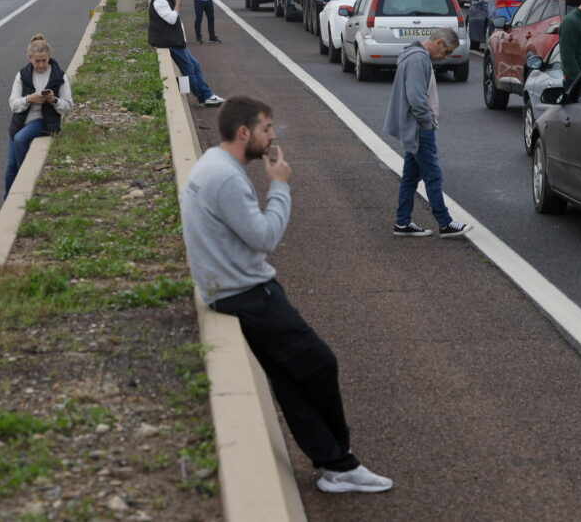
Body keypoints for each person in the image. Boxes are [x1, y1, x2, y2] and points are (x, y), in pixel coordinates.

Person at [180, 96, 394, 495]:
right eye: (266, 129)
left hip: (224, 289)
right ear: (243, 132)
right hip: (248, 294)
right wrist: (279, 186)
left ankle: (336, 464)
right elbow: (265, 238)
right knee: (320, 364)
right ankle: (340, 460)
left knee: (289, 380)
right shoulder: (227, 178)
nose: (273, 136)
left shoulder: (212, 163)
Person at [384, 29, 473, 238]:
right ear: (439, 42)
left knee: (410, 177)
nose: (446, 57)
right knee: (433, 175)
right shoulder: (418, 59)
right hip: (419, 128)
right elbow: (416, 97)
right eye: (447, 51)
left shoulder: (413, 55)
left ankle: (402, 222)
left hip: (413, 127)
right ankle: (445, 223)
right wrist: (426, 123)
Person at [5, 34, 73, 197]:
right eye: (37, 61)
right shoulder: (22, 75)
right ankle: (8, 199)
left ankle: (25, 180)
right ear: (29, 58)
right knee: (10, 167)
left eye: (44, 60)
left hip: (42, 120)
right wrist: (29, 99)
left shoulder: (59, 76)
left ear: (49, 57)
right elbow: (13, 104)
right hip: (20, 121)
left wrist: (54, 101)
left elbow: (69, 106)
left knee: (20, 139)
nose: (41, 65)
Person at [148, 0, 225, 107]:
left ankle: (206, 95)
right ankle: (204, 97)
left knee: (195, 66)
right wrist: (178, 3)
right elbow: (172, 19)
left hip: (176, 41)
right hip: (169, 42)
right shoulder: (160, 0)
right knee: (189, 69)